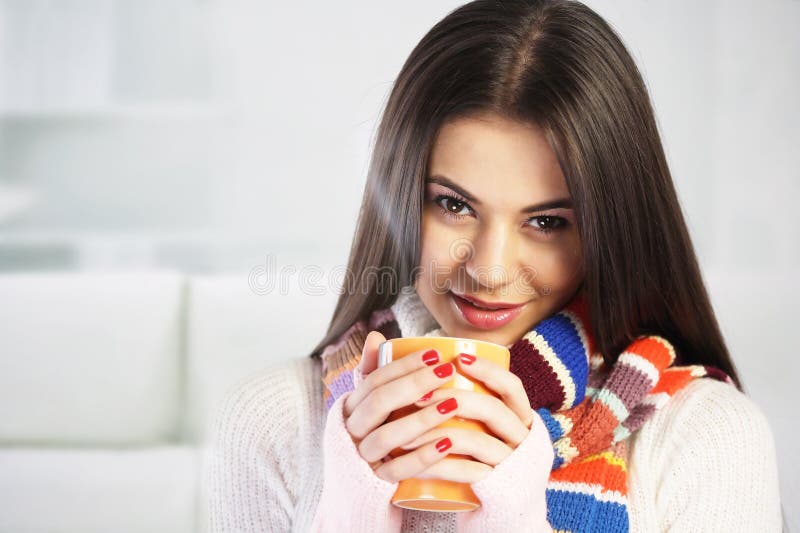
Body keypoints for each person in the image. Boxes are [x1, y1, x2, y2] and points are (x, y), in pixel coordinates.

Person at [204, 0, 783, 531]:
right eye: (454, 206)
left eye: (547, 221)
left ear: (608, 229)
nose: (490, 270)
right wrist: (351, 513)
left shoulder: (706, 437)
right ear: (402, 199)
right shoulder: (277, 423)